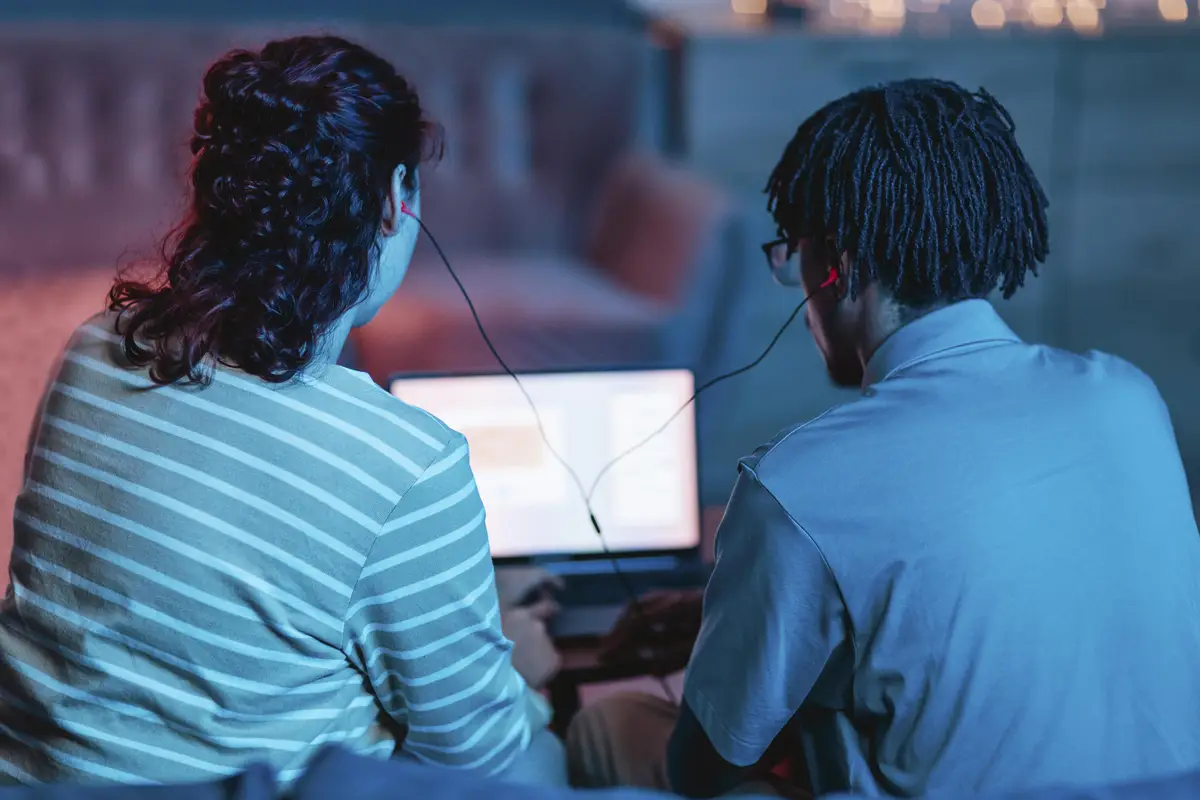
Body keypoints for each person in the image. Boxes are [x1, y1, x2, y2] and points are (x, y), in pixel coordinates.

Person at [566, 78, 1200, 798]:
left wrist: (755, 659)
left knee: (611, 727)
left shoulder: (801, 483)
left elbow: (703, 767)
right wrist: (741, 632)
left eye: (791, 257)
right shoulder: (1126, 396)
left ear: (834, 264)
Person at [0, 35, 564, 788]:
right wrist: (520, 676)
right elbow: (478, 762)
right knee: (548, 762)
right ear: (396, 200)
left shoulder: (92, 349)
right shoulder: (405, 468)